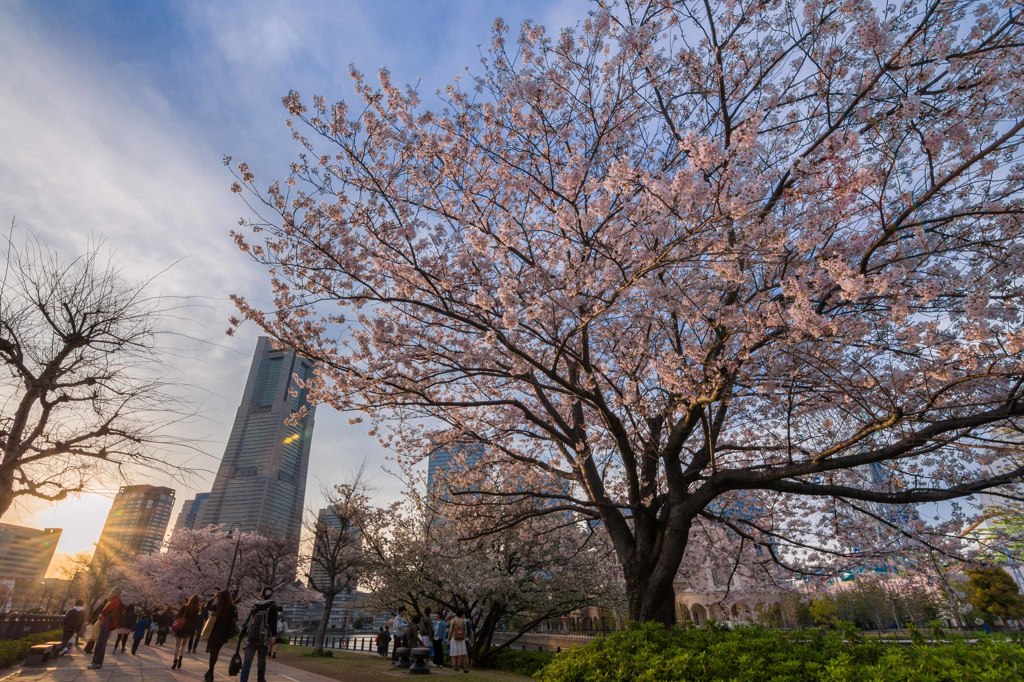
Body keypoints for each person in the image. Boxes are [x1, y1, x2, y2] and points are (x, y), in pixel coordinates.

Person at [240, 586, 279, 682]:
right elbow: (273, 622)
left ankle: (243, 680)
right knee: (261, 662)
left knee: (247, 662)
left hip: (251, 637)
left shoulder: (256, 605)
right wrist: (274, 635)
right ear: (271, 594)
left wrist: (244, 632)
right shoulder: (273, 606)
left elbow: (249, 620)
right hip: (263, 638)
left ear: (261, 594)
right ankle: (260, 680)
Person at [204, 589, 238, 682]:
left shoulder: (218, 606)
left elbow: (207, 607)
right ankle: (209, 672)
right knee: (216, 653)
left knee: (212, 654)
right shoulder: (232, 607)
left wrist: (213, 597)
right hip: (224, 634)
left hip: (214, 632)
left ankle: (211, 673)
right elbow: (236, 619)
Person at [86, 587, 123, 670]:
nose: (111, 592)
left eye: (113, 591)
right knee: (100, 643)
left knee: (101, 644)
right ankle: (96, 662)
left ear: (117, 593)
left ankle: (97, 662)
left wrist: (102, 614)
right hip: (107, 623)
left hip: (106, 623)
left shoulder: (115, 601)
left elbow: (106, 610)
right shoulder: (116, 601)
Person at [171, 594, 202, 669]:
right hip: (189, 629)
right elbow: (195, 621)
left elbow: (178, 616)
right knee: (183, 645)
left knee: (177, 646)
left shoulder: (185, 607)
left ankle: (175, 661)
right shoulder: (197, 610)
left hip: (181, 627)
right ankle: (180, 658)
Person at [447, 607, 471, 674]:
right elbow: (465, 631)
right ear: (462, 614)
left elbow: (450, 631)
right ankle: (459, 667)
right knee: (460, 654)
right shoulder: (464, 621)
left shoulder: (453, 621)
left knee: (454, 654)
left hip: (454, 639)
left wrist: (448, 639)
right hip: (461, 639)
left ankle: (455, 669)